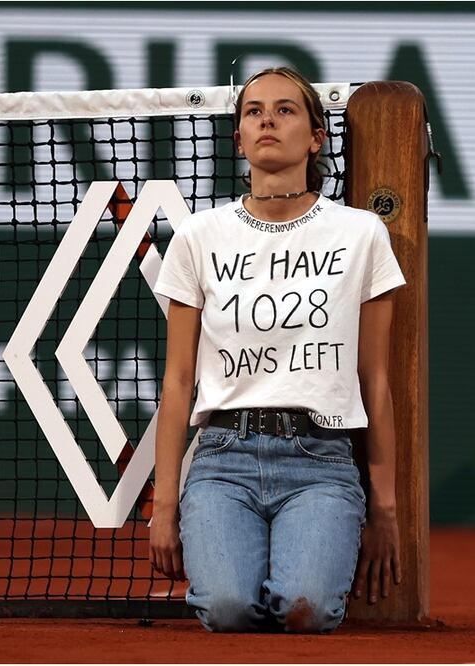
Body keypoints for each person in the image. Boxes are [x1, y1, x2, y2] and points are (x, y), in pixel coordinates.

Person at [149, 67, 406, 633]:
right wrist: (164, 504)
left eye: (285, 109)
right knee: (227, 609)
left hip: (321, 461)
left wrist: (384, 509)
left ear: (316, 137)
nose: (267, 119)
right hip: (222, 460)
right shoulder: (198, 237)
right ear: (239, 139)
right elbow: (178, 379)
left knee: (305, 610)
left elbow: (375, 380)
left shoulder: (361, 233)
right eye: (254, 111)